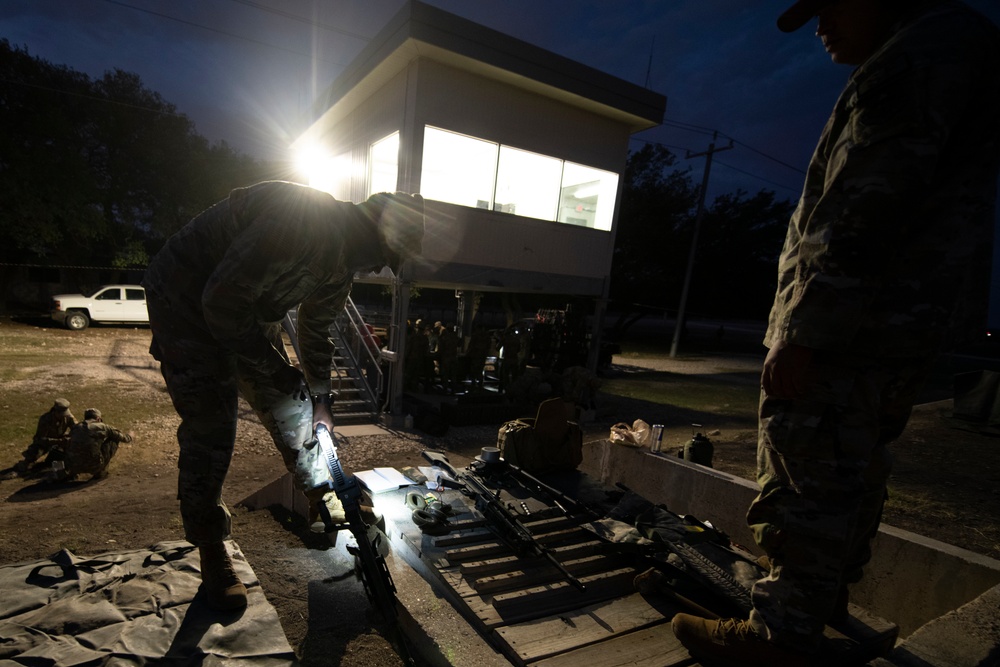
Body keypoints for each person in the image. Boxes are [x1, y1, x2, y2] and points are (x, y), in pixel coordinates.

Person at [671, 1, 1000, 665]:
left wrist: (803, 328)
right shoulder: (955, 48)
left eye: (831, 6)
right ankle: (819, 605)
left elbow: (862, 204)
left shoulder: (906, 63)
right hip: (892, 328)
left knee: (806, 478)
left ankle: (779, 634)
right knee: (852, 474)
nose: (822, 27)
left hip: (848, 330)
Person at [142, 181, 424, 611]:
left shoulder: (341, 262)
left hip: (243, 309)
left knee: (294, 406)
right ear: (373, 232)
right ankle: (211, 546)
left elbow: (314, 331)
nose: (382, 270)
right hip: (185, 302)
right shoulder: (300, 221)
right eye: (385, 258)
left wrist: (322, 398)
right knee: (212, 427)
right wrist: (275, 366)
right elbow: (219, 302)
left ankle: (323, 496)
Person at [58, 408, 133, 482]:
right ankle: (101, 471)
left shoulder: (76, 428)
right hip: (94, 466)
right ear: (98, 419)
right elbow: (124, 438)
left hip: (74, 466)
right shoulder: (102, 427)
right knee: (114, 439)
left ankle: (72, 474)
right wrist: (130, 436)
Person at [12, 398, 77, 475]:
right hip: (45, 442)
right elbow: (40, 439)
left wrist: (69, 438)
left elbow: (77, 429)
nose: (63, 416)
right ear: (55, 411)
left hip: (61, 440)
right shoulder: (45, 419)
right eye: (61, 414)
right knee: (34, 452)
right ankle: (25, 464)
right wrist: (58, 441)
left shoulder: (68, 417)